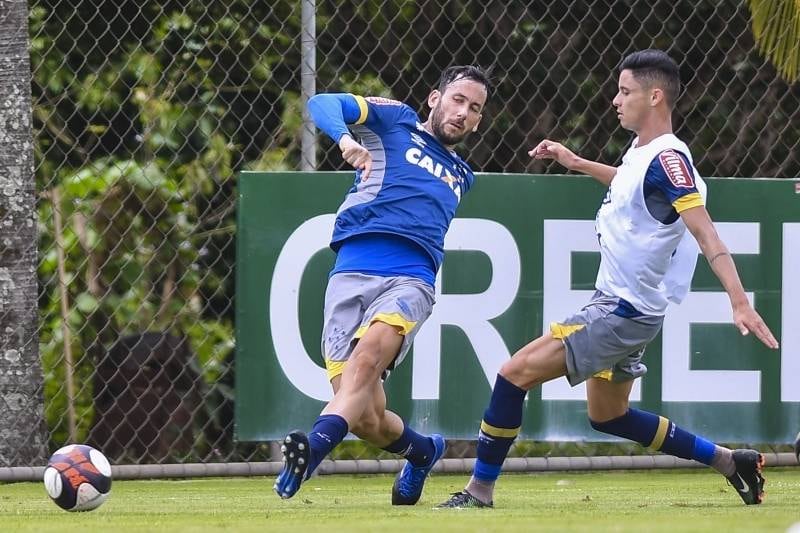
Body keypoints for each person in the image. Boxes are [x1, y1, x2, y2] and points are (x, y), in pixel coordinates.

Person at [437, 49, 779, 509]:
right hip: (631, 311)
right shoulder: (643, 154)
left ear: (655, 96)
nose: (615, 101)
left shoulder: (669, 160)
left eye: (624, 92)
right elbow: (628, 183)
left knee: (512, 374)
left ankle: (479, 492)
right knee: (608, 415)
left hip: (620, 312)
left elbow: (705, 231)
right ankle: (730, 462)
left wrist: (739, 300)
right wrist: (576, 161)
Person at [273, 66, 491, 505]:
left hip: (412, 280)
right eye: (457, 100)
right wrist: (347, 139)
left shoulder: (462, 175)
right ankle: (423, 451)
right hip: (349, 274)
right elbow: (322, 104)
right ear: (435, 98)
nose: (464, 113)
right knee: (366, 416)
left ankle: (312, 451)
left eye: (475, 109)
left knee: (367, 358)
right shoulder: (396, 119)